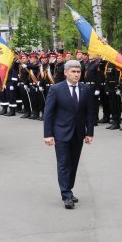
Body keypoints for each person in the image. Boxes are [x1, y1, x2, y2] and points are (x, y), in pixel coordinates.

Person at [43, 60, 95, 209]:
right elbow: (48, 113)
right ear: (66, 73)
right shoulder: (56, 89)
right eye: (73, 71)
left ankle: (69, 188)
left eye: (78, 72)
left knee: (73, 163)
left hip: (78, 133)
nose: (76, 74)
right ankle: (66, 194)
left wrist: (89, 132)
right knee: (63, 163)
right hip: (61, 133)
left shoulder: (85, 89)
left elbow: (90, 113)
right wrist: (48, 134)